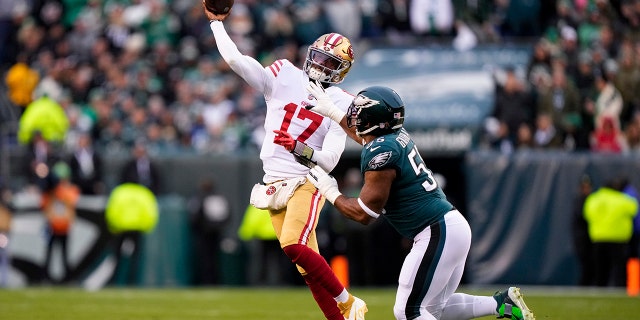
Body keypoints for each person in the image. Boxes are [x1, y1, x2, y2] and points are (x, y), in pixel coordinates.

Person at [305, 85, 535, 320]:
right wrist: (333, 112)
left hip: (435, 231)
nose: (355, 115)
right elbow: (366, 138)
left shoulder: (381, 152)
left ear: (375, 118)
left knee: (407, 311)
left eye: (360, 111)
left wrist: (330, 190)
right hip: (449, 227)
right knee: (435, 308)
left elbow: (365, 213)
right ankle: (502, 304)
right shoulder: (390, 138)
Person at [203, 4, 367, 320]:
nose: (318, 64)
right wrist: (215, 24)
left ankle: (348, 301)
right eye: (316, 56)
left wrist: (300, 148)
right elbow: (237, 60)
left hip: (307, 180)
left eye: (327, 61)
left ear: (340, 69)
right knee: (308, 266)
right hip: (273, 181)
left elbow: (331, 160)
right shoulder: (284, 73)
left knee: (293, 245)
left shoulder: (343, 102)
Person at [584, 176, 639, 287]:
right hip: (619, 239)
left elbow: (587, 213)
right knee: (619, 269)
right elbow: (634, 209)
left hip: (599, 238)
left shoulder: (594, 199)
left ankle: (600, 289)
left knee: (601, 269)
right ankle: (620, 290)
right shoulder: (623, 199)